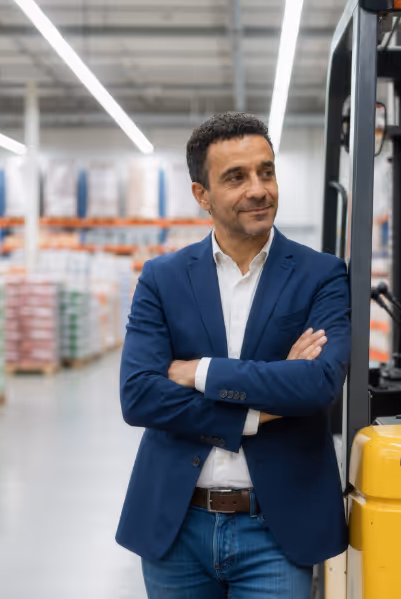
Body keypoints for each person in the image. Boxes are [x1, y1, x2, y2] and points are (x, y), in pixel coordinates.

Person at [116, 112, 351, 598]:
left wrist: (199, 371)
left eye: (266, 171)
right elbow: (140, 397)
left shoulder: (322, 275)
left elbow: (318, 385)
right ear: (202, 195)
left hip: (276, 527)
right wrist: (256, 410)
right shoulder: (162, 278)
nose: (259, 189)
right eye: (236, 177)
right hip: (176, 526)